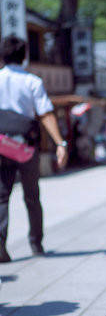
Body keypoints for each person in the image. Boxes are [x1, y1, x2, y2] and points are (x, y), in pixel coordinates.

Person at [0, 39, 66, 266]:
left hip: (1, 145)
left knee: (1, 197)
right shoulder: (32, 82)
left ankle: (0, 246)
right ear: (24, 55)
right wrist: (60, 143)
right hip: (25, 147)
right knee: (32, 196)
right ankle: (36, 243)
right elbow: (46, 113)